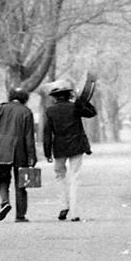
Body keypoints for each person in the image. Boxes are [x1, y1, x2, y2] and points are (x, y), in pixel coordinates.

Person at [43, 79, 97, 222]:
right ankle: (74, 212)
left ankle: (63, 205)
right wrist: (81, 101)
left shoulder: (50, 111)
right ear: (69, 95)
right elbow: (92, 113)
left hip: (59, 147)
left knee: (60, 176)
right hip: (76, 145)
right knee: (74, 177)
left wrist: (47, 152)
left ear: (54, 97)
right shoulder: (75, 107)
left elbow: (47, 133)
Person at [0, 87, 37, 222]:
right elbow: (29, 137)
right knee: (21, 184)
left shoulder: (0, 109)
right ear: (25, 98)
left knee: (3, 179)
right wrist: (32, 157)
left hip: (3, 150)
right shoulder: (26, 112)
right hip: (21, 152)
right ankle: (20, 215)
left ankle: (5, 202)